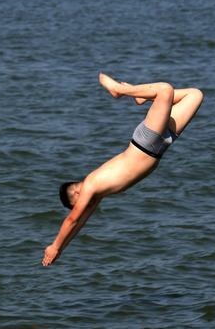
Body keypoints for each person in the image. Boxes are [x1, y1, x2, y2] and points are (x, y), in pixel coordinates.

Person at [42, 73, 203, 267]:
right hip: (160, 146)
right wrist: (61, 249)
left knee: (164, 90)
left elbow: (72, 219)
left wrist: (54, 245)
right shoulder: (98, 194)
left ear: (76, 192)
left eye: (76, 203)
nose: (81, 207)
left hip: (145, 143)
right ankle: (142, 96)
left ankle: (120, 91)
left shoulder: (90, 185)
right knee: (195, 94)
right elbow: (80, 224)